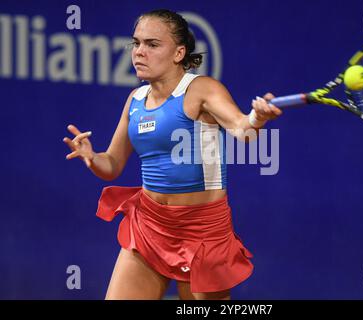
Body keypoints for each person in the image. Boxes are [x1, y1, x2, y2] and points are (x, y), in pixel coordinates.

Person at [63, 9, 282, 300]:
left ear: (179, 53)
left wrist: (257, 118)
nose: (139, 52)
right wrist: (92, 157)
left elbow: (243, 130)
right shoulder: (135, 100)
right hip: (148, 226)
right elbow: (112, 165)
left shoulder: (202, 89)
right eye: (136, 43)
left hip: (203, 233)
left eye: (152, 45)